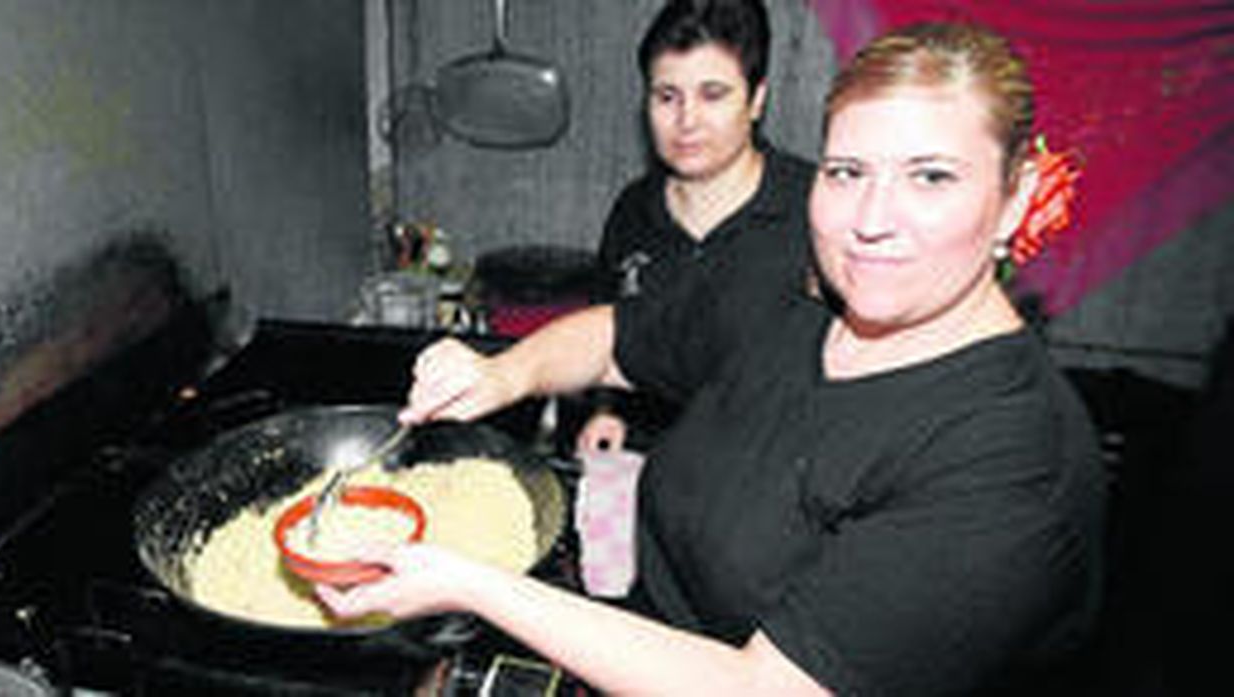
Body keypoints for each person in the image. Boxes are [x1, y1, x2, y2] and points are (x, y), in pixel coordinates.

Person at [318, 22, 1107, 695]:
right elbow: (622, 333)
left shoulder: (1010, 465)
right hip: (633, 635)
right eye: (846, 172)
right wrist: (504, 372)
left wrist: (469, 581)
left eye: (930, 177)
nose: (869, 220)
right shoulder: (794, 292)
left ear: (1015, 195)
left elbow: (762, 688)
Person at [569, 0, 816, 456]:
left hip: (774, 478)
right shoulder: (633, 210)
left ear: (757, 98)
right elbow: (611, 331)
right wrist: (607, 410)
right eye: (667, 97)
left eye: (713, 94)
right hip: (649, 467)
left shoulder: (815, 208)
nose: (686, 121)